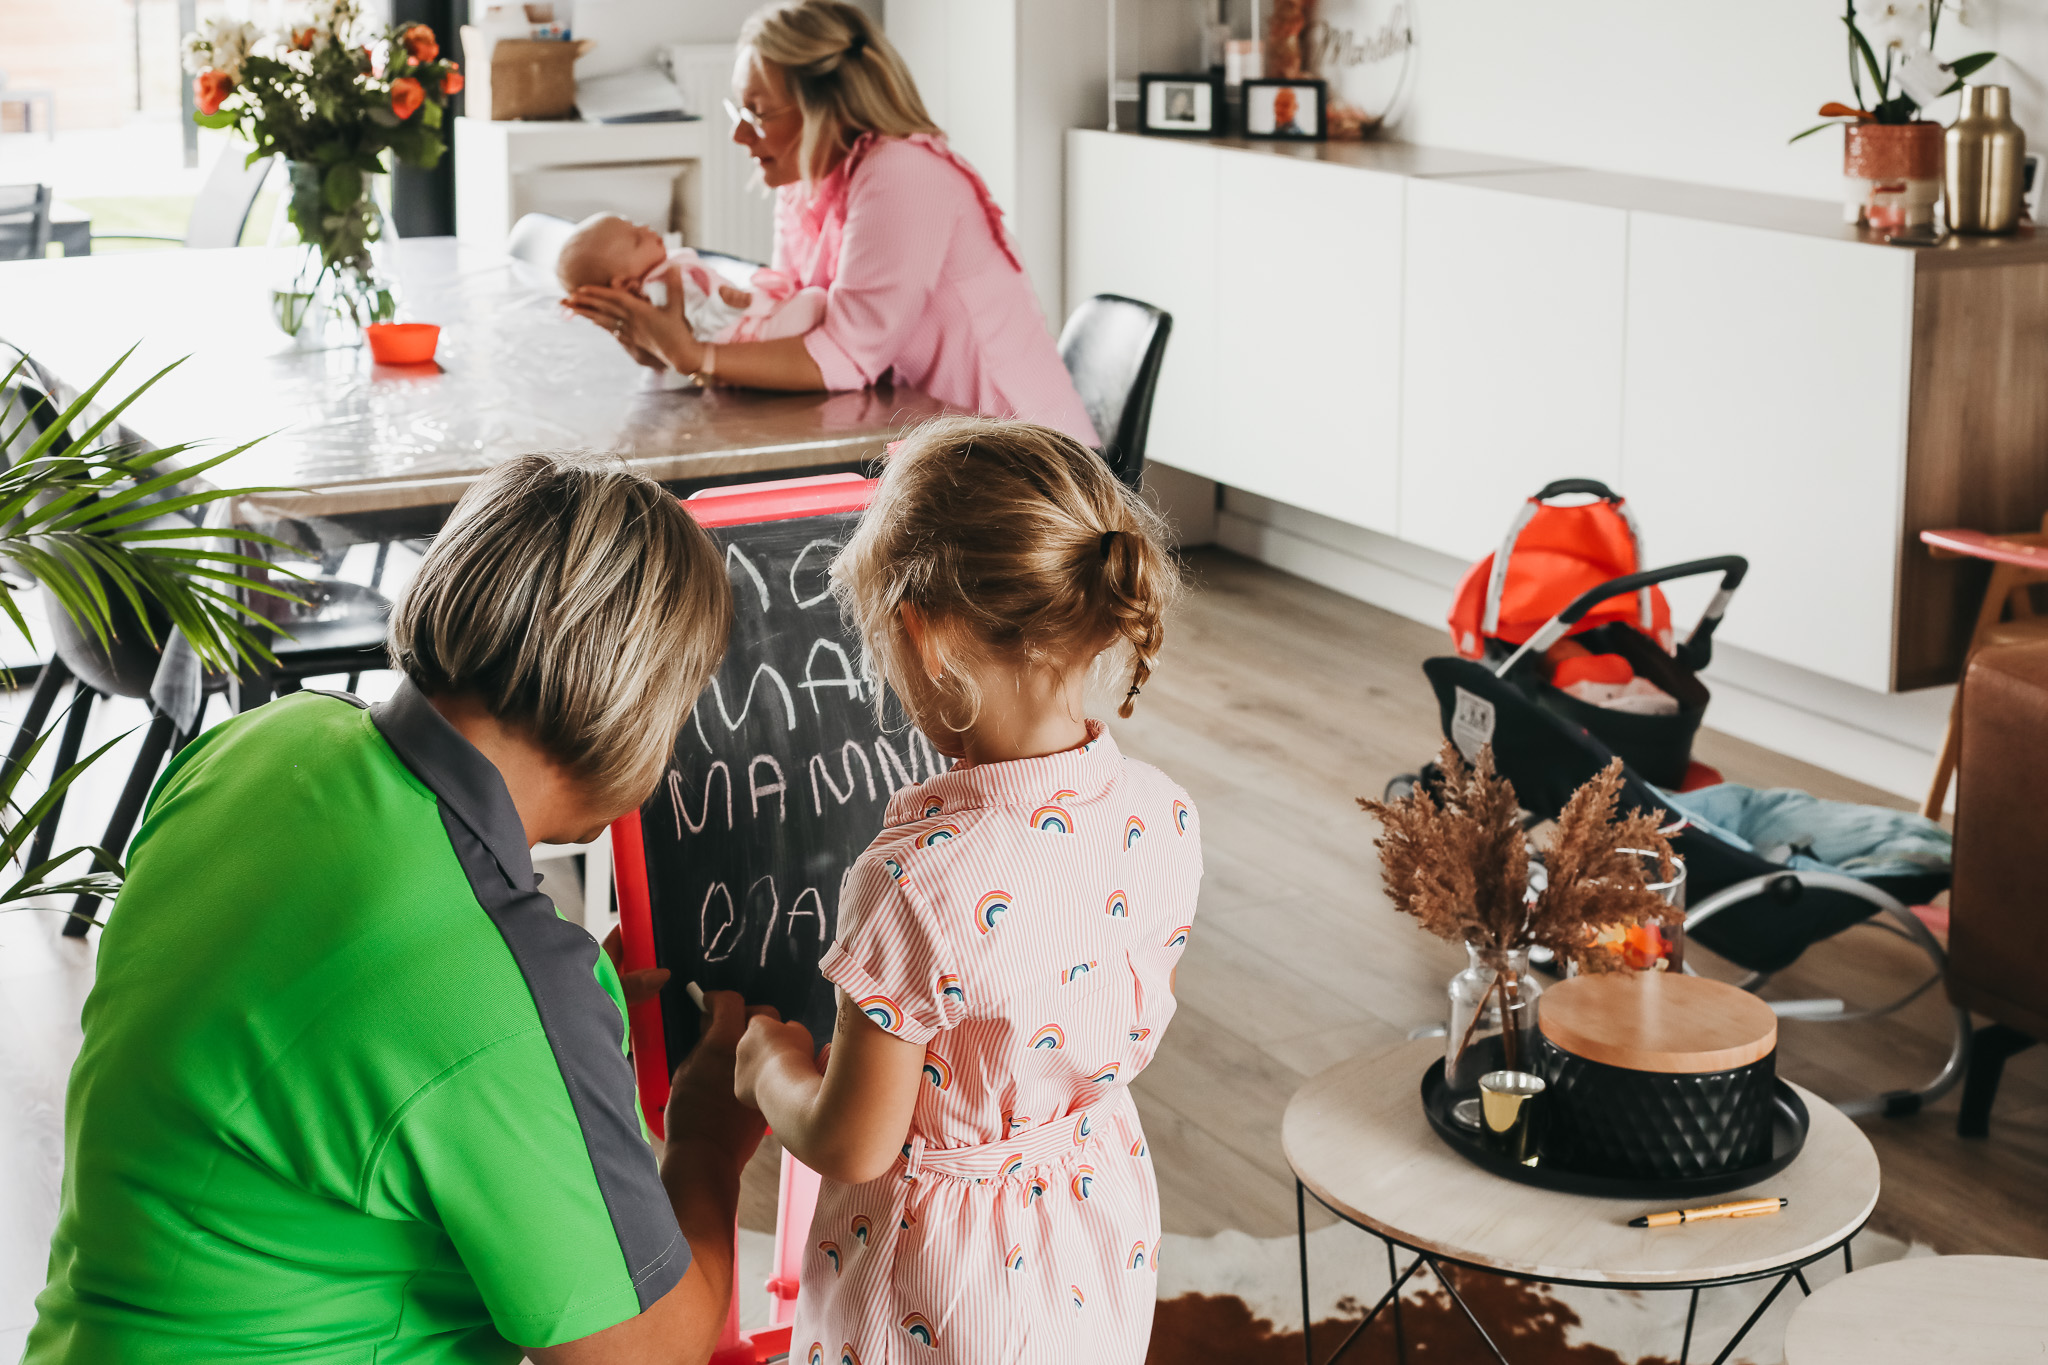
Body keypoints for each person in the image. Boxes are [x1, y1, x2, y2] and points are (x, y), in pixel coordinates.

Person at [24, 455, 769, 1365]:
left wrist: (554, 1029)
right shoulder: (497, 982)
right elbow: (648, 1352)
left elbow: (340, 1017)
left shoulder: (261, 741)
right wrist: (705, 1139)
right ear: (636, 706)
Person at [732, 418, 1203, 1364]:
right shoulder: (1166, 811)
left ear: (928, 636)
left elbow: (856, 1143)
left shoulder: (918, 881)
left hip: (944, 1281)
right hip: (1096, 1222)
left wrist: (769, 1074)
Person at [564, 1, 1099, 449]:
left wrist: (692, 355)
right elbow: (795, 324)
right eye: (739, 112)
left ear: (827, 107)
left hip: (1023, 451)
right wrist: (655, 339)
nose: (740, 137)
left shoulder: (901, 174)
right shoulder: (805, 181)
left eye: (758, 113)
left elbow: (846, 356)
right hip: (935, 436)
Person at [555, 212, 827, 347]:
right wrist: (726, 305)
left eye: (638, 225)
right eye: (638, 239)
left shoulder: (660, 272)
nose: (648, 229)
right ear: (624, 284)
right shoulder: (660, 290)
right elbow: (697, 325)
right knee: (816, 300)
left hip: (743, 321)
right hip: (747, 336)